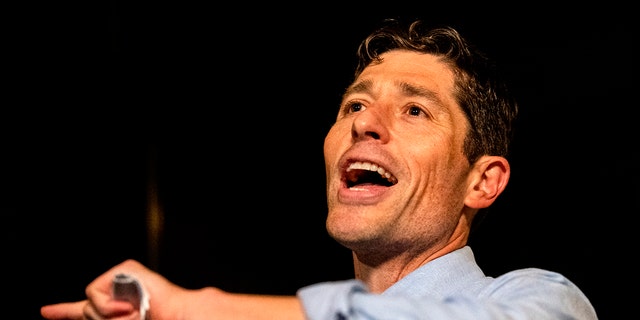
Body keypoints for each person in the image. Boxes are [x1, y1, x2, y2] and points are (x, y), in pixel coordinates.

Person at [40, 18, 598, 320]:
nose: (364, 124)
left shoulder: (544, 302)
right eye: (354, 105)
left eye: (414, 110)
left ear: (483, 180)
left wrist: (197, 308)